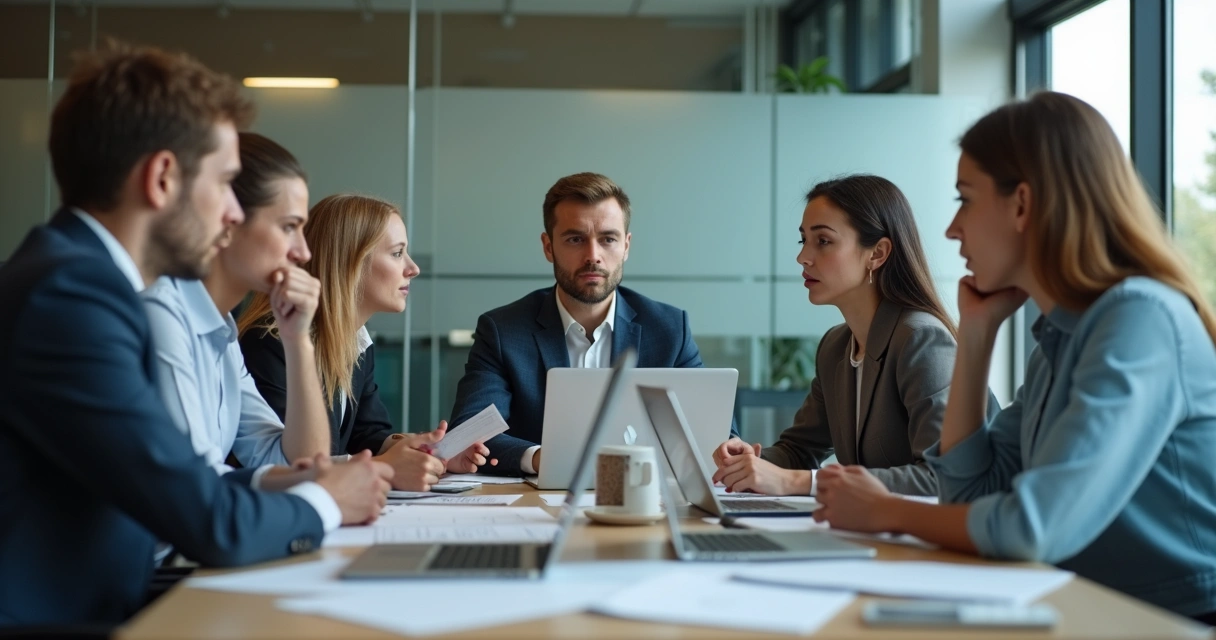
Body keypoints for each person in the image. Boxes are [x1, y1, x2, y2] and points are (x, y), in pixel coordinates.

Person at [0, 44, 390, 627]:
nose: (234, 212)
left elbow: (183, 481)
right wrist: (328, 500)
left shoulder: (80, 280)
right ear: (161, 178)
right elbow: (210, 522)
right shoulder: (72, 298)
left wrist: (309, 482)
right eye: (226, 183)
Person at [813, 92, 1216, 621]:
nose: (952, 229)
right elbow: (969, 493)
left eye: (965, 199)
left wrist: (886, 512)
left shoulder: (1138, 320)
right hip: (1088, 608)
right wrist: (977, 337)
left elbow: (1033, 527)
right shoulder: (1061, 335)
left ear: (1022, 204)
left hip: (1172, 620)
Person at [711, 175, 996, 497]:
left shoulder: (923, 340)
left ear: (877, 253)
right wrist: (749, 460)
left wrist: (801, 482)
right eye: (803, 240)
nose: (803, 257)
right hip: (877, 534)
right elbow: (799, 451)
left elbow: (942, 477)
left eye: (823, 241)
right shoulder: (835, 346)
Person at [447, 172, 735, 477]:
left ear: (626, 246)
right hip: (537, 507)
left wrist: (731, 449)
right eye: (575, 239)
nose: (593, 256)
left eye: (608, 239)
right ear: (548, 247)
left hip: (643, 500)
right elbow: (468, 435)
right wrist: (542, 459)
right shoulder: (503, 330)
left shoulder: (668, 328)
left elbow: (715, 434)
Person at [239, 194, 489, 490]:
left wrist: (433, 453)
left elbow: (367, 435)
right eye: (397, 253)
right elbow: (293, 465)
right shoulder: (271, 343)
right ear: (350, 262)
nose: (413, 268)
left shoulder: (356, 342)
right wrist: (385, 466)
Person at [143, 132, 333, 490]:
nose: (303, 252)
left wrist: (297, 341)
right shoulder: (162, 314)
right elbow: (194, 484)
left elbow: (300, 462)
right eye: (289, 227)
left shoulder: (223, 331)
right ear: (228, 220)